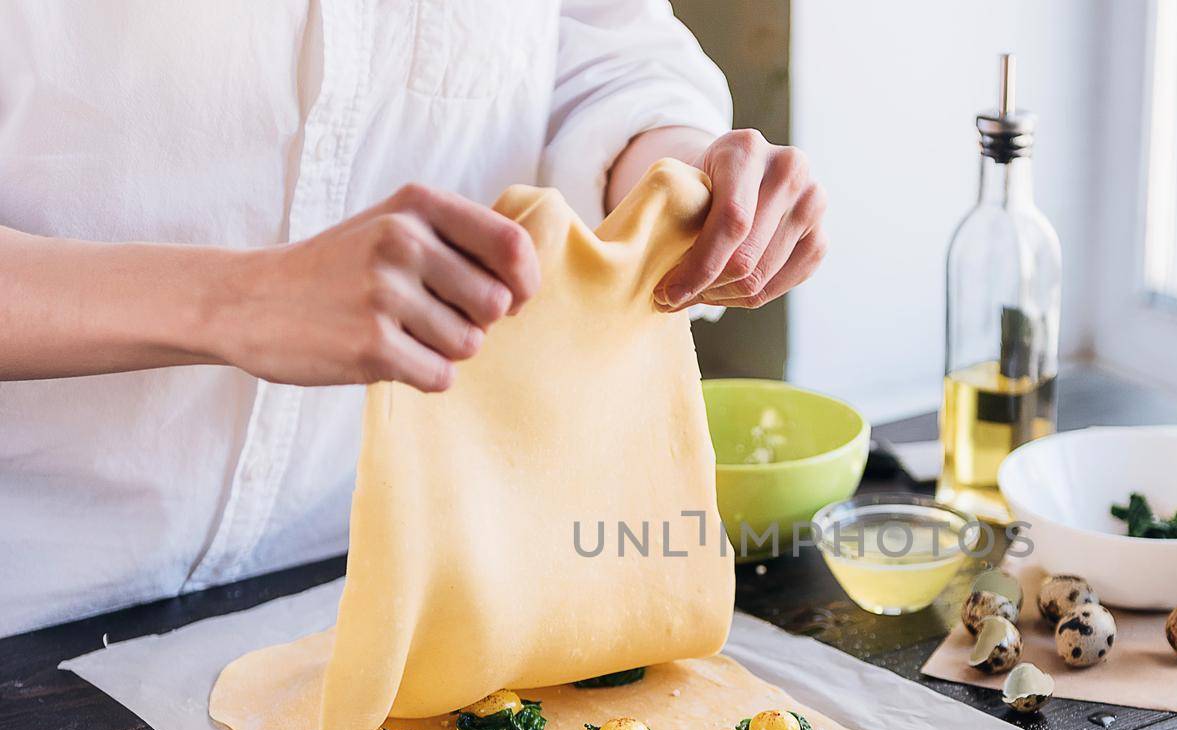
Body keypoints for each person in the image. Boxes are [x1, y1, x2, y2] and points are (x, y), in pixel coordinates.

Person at [0, 2, 827, 638]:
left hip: (387, 582)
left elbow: (598, 50)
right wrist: (235, 299)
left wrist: (677, 179)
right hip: (35, 593)